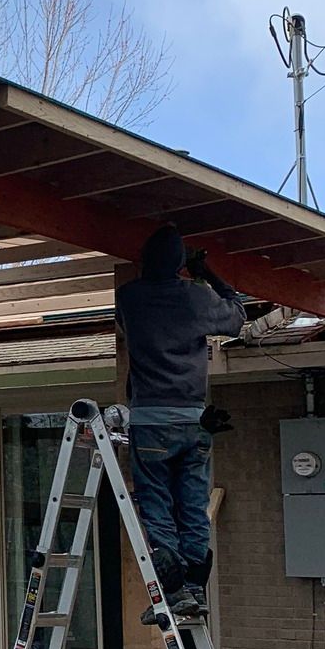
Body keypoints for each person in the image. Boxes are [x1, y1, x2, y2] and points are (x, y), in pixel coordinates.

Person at [114, 224, 248, 620]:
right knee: (192, 507)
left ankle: (173, 593)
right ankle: (193, 588)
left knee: (157, 506)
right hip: (194, 420)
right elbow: (237, 317)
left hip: (151, 420)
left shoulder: (130, 297)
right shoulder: (195, 297)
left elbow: (129, 321)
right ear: (179, 264)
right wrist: (204, 272)